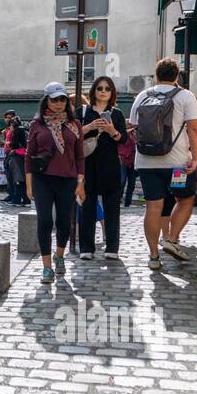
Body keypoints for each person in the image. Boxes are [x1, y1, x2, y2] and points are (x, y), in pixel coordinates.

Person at [130, 58, 197, 271]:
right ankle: (170, 238)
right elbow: (194, 129)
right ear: (177, 76)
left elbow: (133, 125)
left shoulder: (143, 96)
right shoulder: (185, 96)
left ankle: (153, 256)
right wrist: (196, 159)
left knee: (153, 207)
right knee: (185, 199)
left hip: (146, 161)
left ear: (156, 75)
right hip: (177, 163)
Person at [25, 82, 85, 284]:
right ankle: (47, 267)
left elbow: (80, 157)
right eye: (54, 100)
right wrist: (28, 183)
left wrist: (80, 182)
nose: (59, 104)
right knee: (44, 222)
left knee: (63, 222)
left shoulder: (74, 125)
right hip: (43, 179)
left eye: (62, 99)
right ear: (46, 102)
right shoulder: (37, 125)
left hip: (67, 179)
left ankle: (60, 256)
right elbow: (29, 155)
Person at [78, 76, 127, 261]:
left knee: (112, 208)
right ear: (94, 91)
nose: (103, 91)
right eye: (100, 88)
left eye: (107, 88)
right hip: (88, 165)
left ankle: (112, 247)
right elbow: (71, 134)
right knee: (87, 207)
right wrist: (89, 126)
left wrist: (112, 130)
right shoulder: (83, 111)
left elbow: (123, 140)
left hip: (110, 166)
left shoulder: (116, 113)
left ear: (112, 92)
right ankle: (86, 247)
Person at [0, 109, 30, 206]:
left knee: (17, 178)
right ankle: (13, 196)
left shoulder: (17, 130)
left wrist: (11, 145)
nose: (8, 120)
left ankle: (17, 198)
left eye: (10, 118)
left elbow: (15, 143)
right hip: (10, 155)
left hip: (16, 155)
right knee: (11, 177)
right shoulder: (7, 130)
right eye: (7, 118)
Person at [118, 125, 138, 207]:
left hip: (133, 161)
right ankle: (118, 199)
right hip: (123, 159)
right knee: (122, 181)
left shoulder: (134, 135)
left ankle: (127, 203)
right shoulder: (122, 134)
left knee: (132, 183)